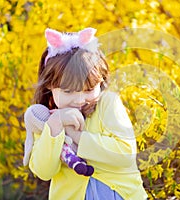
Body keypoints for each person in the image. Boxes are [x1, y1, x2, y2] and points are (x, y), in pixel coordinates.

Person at [27, 27, 148, 199]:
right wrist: (55, 126)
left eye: (89, 89)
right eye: (68, 91)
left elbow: (125, 154)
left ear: (101, 80)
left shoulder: (108, 103)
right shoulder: (46, 117)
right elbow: (44, 171)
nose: (79, 100)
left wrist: (76, 135)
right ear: (49, 86)